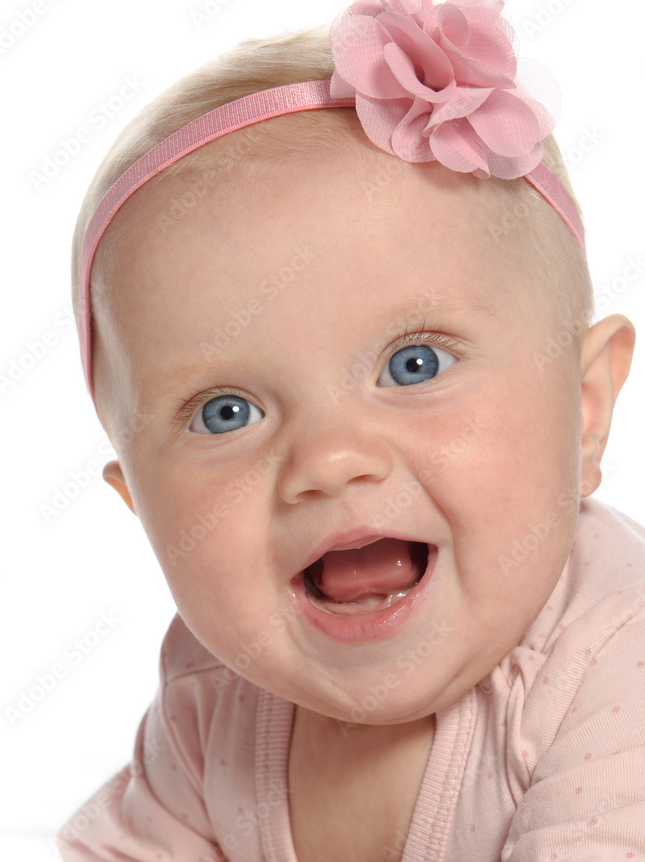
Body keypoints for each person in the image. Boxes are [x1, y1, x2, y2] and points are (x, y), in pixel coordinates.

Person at [58, 0, 645, 858]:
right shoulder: (210, 696)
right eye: (227, 413)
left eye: (415, 365)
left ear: (584, 408)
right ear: (139, 502)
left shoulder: (618, 664)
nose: (329, 460)